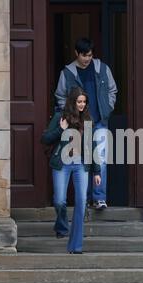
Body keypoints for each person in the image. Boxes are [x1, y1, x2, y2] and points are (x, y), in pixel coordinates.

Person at [55, 37, 117, 210]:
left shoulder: (102, 69)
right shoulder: (67, 73)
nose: (87, 59)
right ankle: (84, 199)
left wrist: (108, 108)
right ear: (76, 53)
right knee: (82, 161)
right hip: (79, 125)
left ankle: (99, 198)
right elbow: (60, 96)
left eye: (90, 55)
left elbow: (113, 90)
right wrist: (69, 113)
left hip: (99, 122)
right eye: (84, 55)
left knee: (101, 159)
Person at [41, 87, 101, 254]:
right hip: (62, 163)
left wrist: (97, 172)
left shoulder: (88, 120)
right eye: (79, 101)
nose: (81, 105)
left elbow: (92, 146)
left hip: (81, 165)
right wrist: (61, 129)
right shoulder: (61, 117)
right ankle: (61, 226)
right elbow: (44, 138)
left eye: (84, 102)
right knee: (59, 200)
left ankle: (76, 246)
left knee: (81, 202)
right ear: (72, 102)